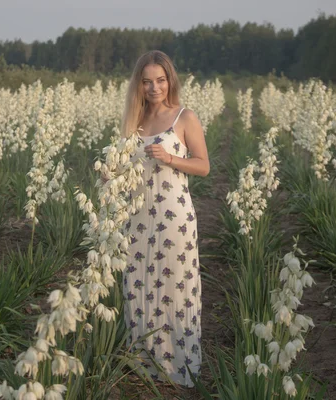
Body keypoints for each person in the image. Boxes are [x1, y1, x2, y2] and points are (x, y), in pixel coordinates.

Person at [120, 50, 210, 388]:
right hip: (137, 216)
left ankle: (178, 367)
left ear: (169, 80)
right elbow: (125, 168)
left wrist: (171, 157)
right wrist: (110, 177)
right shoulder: (134, 121)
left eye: (160, 80)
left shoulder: (184, 117)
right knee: (137, 285)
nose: (154, 87)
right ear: (139, 85)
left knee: (175, 287)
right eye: (147, 82)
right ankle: (143, 362)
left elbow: (203, 166)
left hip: (174, 217)